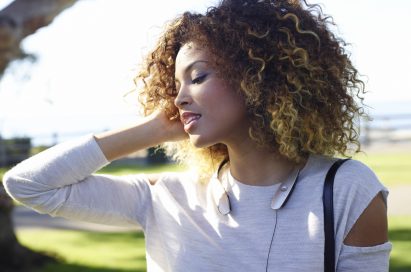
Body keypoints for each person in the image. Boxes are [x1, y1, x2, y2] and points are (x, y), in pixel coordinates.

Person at [3, 0, 391, 271]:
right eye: (175, 84)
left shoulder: (347, 189)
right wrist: (153, 128)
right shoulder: (167, 197)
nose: (179, 97)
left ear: (258, 76)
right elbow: (29, 184)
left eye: (198, 76)